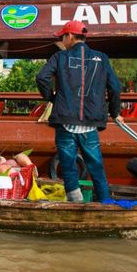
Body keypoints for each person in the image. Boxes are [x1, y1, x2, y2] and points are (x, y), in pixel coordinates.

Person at [36, 20, 123, 203]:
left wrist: (52, 98)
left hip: (65, 121)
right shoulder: (102, 58)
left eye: (62, 37)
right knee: (96, 165)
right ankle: (105, 202)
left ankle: (76, 204)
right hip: (90, 123)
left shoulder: (59, 57)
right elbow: (115, 87)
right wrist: (115, 113)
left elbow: (42, 78)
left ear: (69, 36)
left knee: (68, 165)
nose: (62, 41)